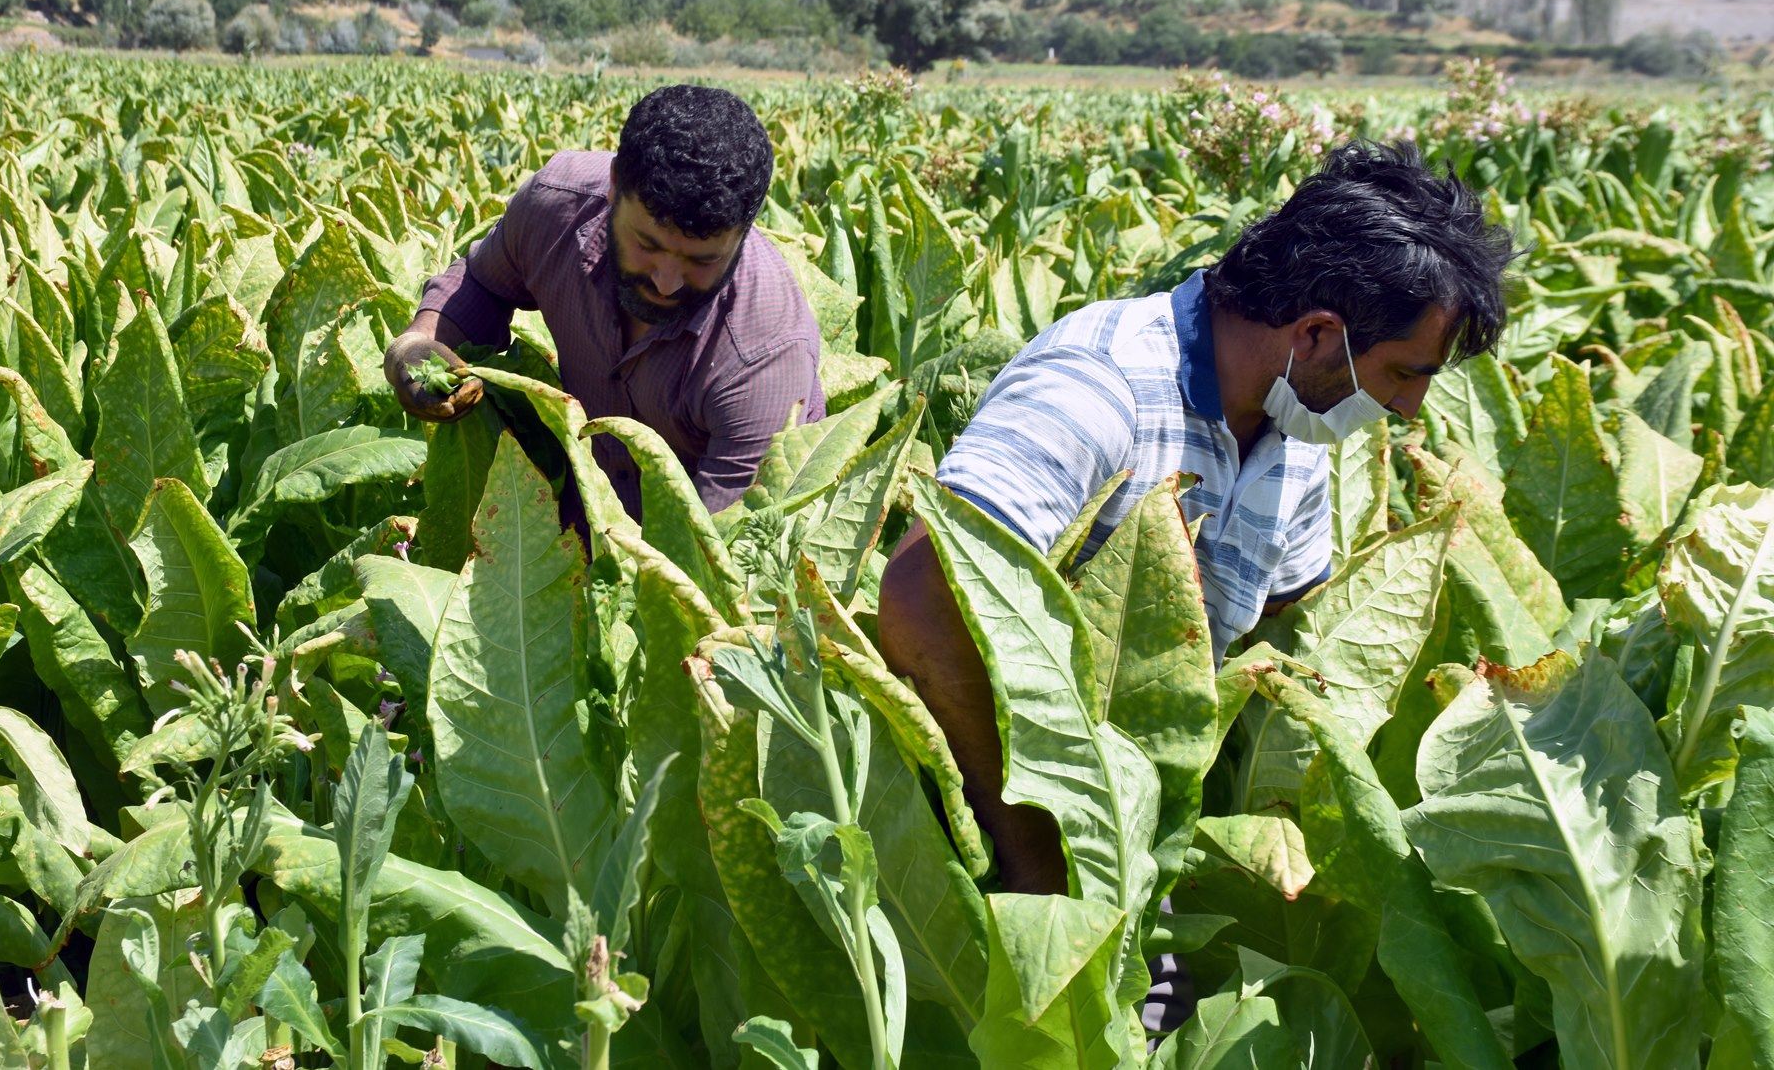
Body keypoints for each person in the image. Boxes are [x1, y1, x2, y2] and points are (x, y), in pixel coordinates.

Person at [874, 139, 1516, 1033]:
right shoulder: (1101, 386)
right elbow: (917, 597)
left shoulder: (1298, 426)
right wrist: (1034, 853)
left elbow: (1277, 628)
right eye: (1405, 373)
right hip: (977, 834)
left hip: (1124, 841)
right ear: (1319, 334)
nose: (1408, 409)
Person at [385, 84, 825, 517]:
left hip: (706, 541)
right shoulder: (555, 207)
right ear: (615, 185)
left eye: (701, 259)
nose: (667, 281)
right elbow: (482, 285)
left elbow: (719, 553)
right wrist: (418, 345)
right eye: (647, 244)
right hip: (586, 505)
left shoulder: (763, 354)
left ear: (745, 230)